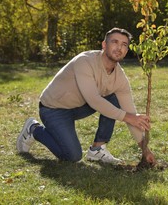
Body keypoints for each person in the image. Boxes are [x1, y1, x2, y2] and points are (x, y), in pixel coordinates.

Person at [16, 27, 156, 165]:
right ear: (104, 44)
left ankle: (97, 150)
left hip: (79, 106)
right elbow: (94, 100)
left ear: (126, 50)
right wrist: (128, 117)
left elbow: (131, 115)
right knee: (72, 156)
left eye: (124, 45)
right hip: (53, 108)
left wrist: (145, 150)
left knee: (113, 99)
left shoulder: (120, 78)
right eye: (115, 42)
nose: (119, 48)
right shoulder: (84, 61)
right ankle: (33, 129)